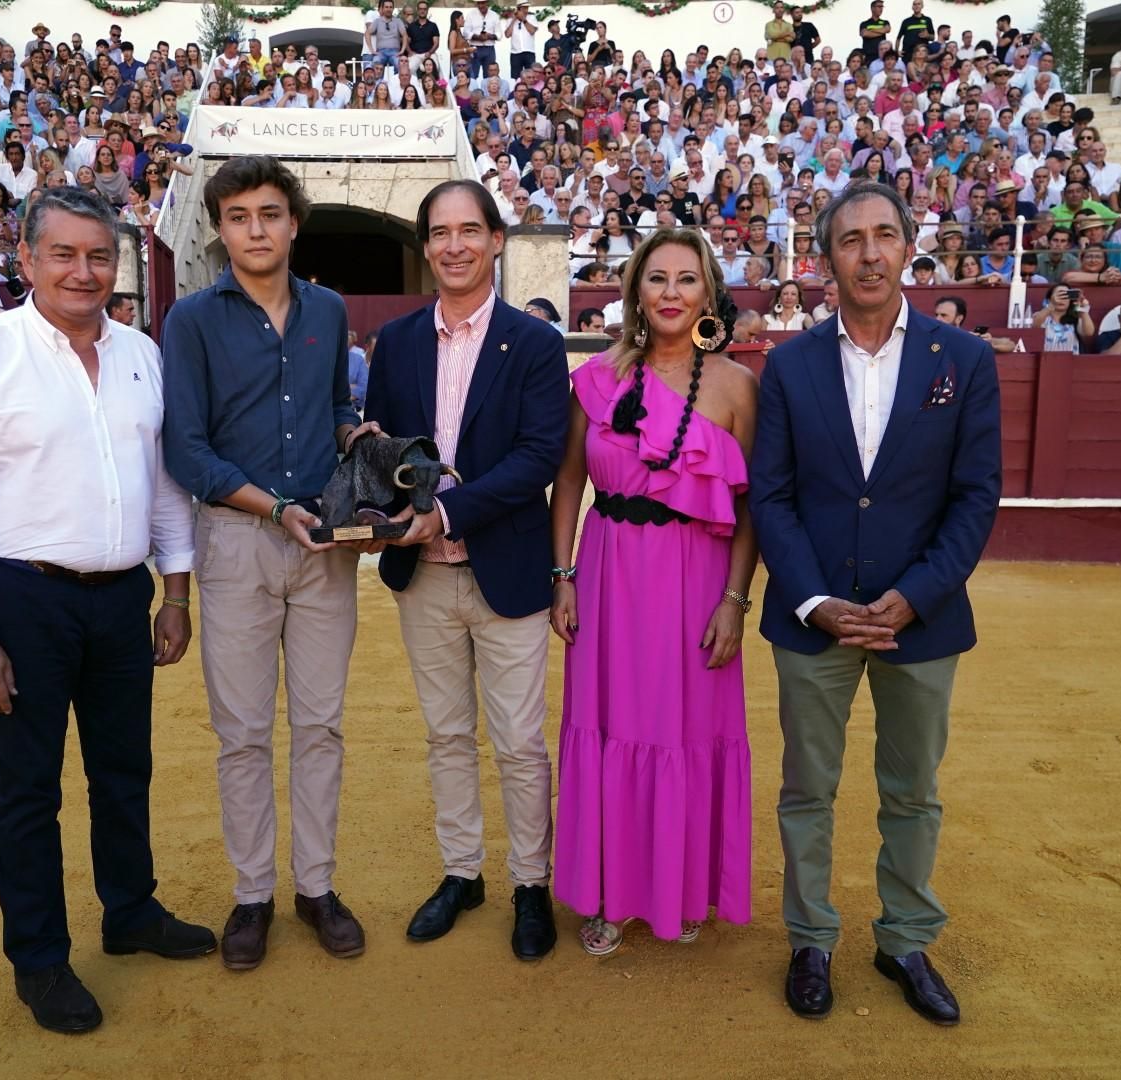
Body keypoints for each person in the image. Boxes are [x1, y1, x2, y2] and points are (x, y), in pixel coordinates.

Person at [0, 186, 213, 1035]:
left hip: (121, 597)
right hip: (24, 599)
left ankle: (130, 913)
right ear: (26, 259)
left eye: (98, 256)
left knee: (125, 772)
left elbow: (162, 485)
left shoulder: (141, 355)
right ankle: (40, 959)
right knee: (27, 791)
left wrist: (174, 591)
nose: (84, 272)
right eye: (64, 254)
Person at [750, 182, 1001, 1027]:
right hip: (813, 616)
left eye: (884, 235)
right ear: (826, 256)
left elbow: (975, 498)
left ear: (908, 247)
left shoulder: (962, 360)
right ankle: (811, 938)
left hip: (919, 620)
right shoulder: (787, 365)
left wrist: (916, 594)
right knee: (807, 788)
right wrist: (815, 599)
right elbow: (771, 499)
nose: (868, 251)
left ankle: (904, 940)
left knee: (913, 790)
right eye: (851, 238)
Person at [160, 156, 365, 972]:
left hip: (325, 545)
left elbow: (336, 409)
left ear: (293, 223)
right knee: (242, 733)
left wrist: (359, 437)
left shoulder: (330, 310)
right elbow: (186, 446)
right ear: (218, 227)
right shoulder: (191, 320)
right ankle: (254, 894)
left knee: (320, 725)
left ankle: (315, 885)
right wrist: (275, 508)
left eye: (271, 213)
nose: (256, 229)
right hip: (240, 541)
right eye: (239, 215)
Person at [355, 180, 565, 961]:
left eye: (468, 230)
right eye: (439, 232)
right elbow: (384, 455)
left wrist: (445, 513)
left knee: (517, 740)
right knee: (446, 735)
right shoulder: (401, 342)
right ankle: (462, 872)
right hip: (424, 577)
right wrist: (373, 495)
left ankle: (531, 884)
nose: (453, 245)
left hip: (505, 568)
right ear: (425, 245)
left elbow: (538, 457)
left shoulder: (536, 343)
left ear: (496, 240)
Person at [549, 225, 759, 955]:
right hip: (608, 576)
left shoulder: (735, 386)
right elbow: (570, 480)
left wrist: (735, 600)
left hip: (697, 582)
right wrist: (564, 577)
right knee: (610, 727)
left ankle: (679, 885)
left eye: (687, 279)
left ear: (708, 293)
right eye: (658, 278)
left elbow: (752, 508)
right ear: (635, 291)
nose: (672, 292)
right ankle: (608, 892)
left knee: (686, 732)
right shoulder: (597, 378)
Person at [932, 295, 1023, 353]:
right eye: (937, 315)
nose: (937, 319)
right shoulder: (931, 336)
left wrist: (989, 345)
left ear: (959, 319)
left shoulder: (969, 337)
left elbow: (1010, 344)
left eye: (943, 315)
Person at [1031, 284, 1094, 353]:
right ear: (1050, 298)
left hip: (1070, 362)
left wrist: (1083, 310)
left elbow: (1089, 333)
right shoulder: (1042, 316)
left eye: (1066, 296)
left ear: (1070, 300)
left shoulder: (1076, 319)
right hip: (1045, 361)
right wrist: (1052, 305)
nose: (1062, 299)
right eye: (1060, 295)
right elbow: (1035, 325)